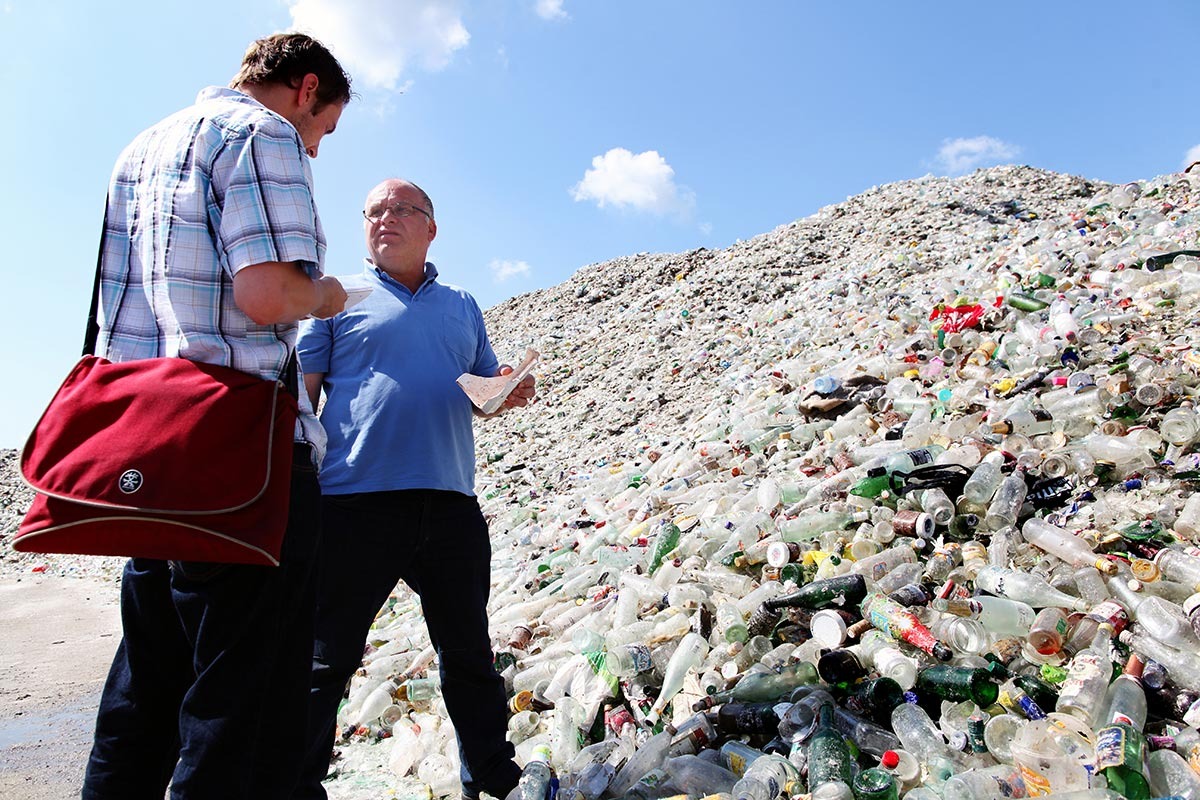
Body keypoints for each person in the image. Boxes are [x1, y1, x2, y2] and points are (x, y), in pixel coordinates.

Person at [81, 33, 352, 800]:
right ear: (305, 89)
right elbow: (266, 295)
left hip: (150, 446)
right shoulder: (263, 135)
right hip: (242, 455)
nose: (318, 149)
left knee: (146, 691)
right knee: (245, 705)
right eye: (324, 129)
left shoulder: (141, 146)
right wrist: (326, 295)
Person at [295, 178, 536, 800]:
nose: (386, 219)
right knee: (326, 660)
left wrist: (507, 390)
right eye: (374, 211)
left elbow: (483, 393)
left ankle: (491, 776)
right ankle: (294, 784)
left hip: (451, 501)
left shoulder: (462, 304)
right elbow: (301, 396)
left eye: (402, 209)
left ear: (431, 227)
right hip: (353, 503)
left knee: (468, 652)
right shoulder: (336, 298)